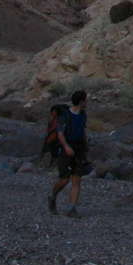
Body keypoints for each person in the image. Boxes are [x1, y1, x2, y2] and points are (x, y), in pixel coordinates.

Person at [49, 88, 89, 216]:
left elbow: (83, 130)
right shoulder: (65, 115)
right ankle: (52, 196)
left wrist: (86, 147)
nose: (87, 103)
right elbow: (60, 133)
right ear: (81, 101)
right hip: (66, 148)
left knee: (77, 180)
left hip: (79, 149)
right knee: (64, 179)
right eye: (85, 100)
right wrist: (66, 147)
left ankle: (72, 209)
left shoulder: (83, 114)